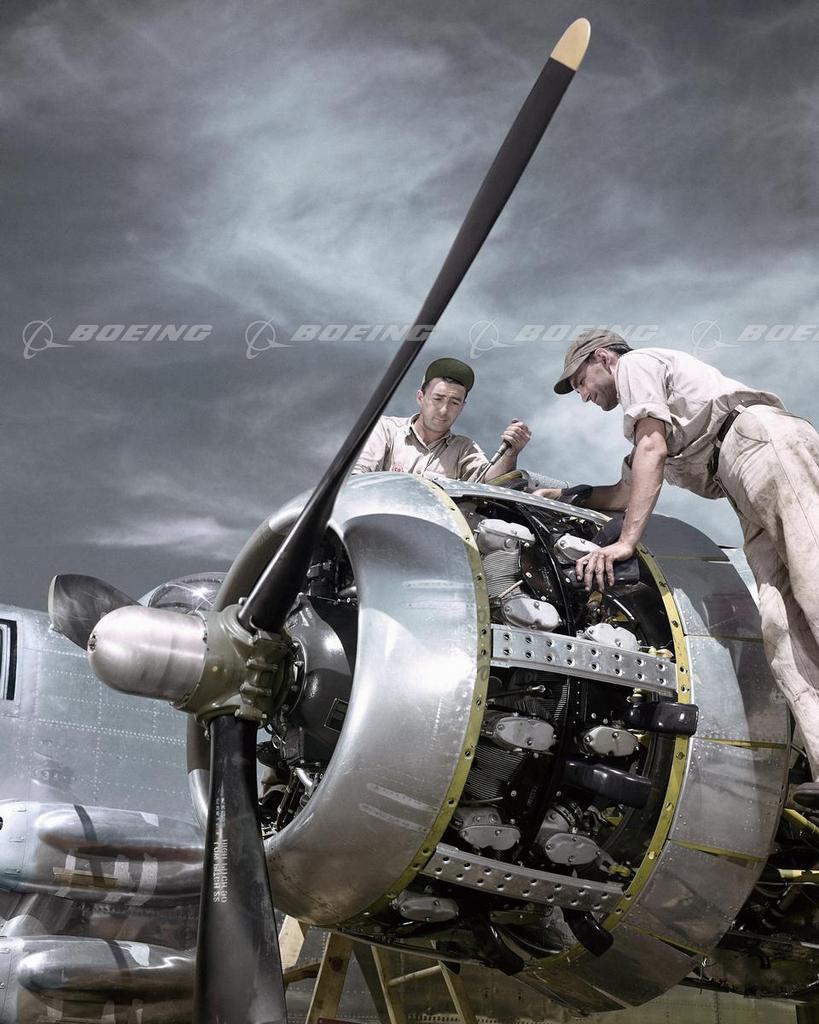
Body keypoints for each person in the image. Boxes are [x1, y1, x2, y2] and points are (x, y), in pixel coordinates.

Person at [543, 328, 819, 807]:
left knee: (814, 585)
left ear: (603, 358)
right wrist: (569, 496)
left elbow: (652, 449)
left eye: (581, 381)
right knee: (780, 630)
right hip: (738, 482)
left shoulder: (635, 366)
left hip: (761, 446)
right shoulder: (652, 419)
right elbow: (626, 490)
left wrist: (626, 542)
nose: (583, 395)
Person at [353, 357, 531, 482]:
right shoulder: (386, 429)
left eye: (454, 402)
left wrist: (511, 453)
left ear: (462, 407)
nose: (444, 410)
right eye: (438, 399)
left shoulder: (464, 449)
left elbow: (489, 484)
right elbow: (357, 476)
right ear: (420, 397)